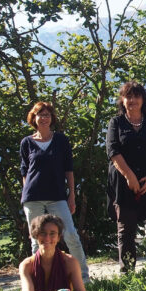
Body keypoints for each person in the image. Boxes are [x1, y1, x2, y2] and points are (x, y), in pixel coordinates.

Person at [20, 101, 88, 281]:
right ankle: (39, 279)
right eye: (40, 115)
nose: (44, 118)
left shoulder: (60, 140)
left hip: (57, 196)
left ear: (52, 119)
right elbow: (25, 172)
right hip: (33, 197)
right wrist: (25, 193)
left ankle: (83, 277)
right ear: (33, 118)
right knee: (36, 240)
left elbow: (69, 169)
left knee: (71, 235)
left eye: (47, 115)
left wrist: (71, 195)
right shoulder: (26, 142)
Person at [106, 82, 146, 273]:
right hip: (124, 185)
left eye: (136, 96)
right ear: (122, 100)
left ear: (143, 99)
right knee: (126, 231)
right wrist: (129, 176)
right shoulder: (115, 123)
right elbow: (113, 151)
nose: (132, 100)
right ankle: (128, 274)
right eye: (128, 96)